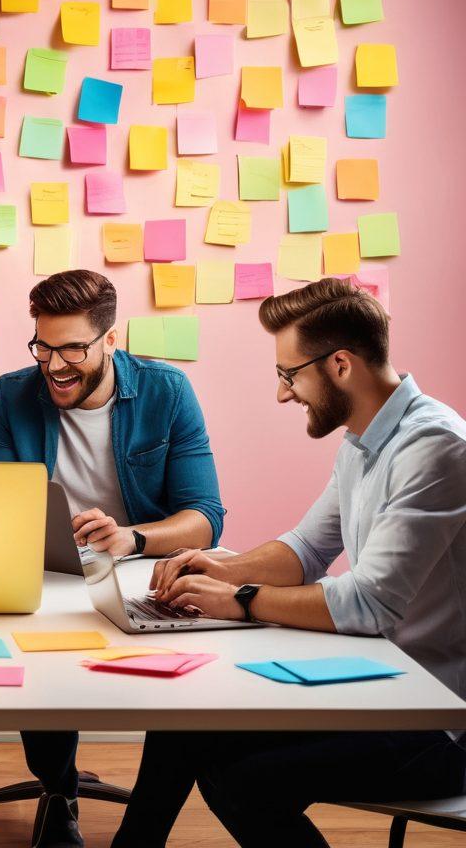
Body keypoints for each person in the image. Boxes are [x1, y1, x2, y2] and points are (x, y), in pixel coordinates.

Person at [113, 278, 466, 848]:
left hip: (437, 722)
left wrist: (241, 601)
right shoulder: (363, 441)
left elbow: (368, 603)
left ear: (341, 365)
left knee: (250, 782)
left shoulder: (437, 448)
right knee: (184, 719)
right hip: (375, 689)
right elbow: (304, 550)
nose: (284, 394)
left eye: (289, 375)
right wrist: (216, 567)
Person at [0, 269, 225, 848]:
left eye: (72, 349)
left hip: (142, 569)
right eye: (42, 345)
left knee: (180, 689)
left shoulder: (166, 390)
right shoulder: (14, 392)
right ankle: (57, 789)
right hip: (47, 569)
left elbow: (205, 516)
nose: (54, 365)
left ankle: (144, 826)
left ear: (111, 339)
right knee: (39, 651)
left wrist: (131, 538)